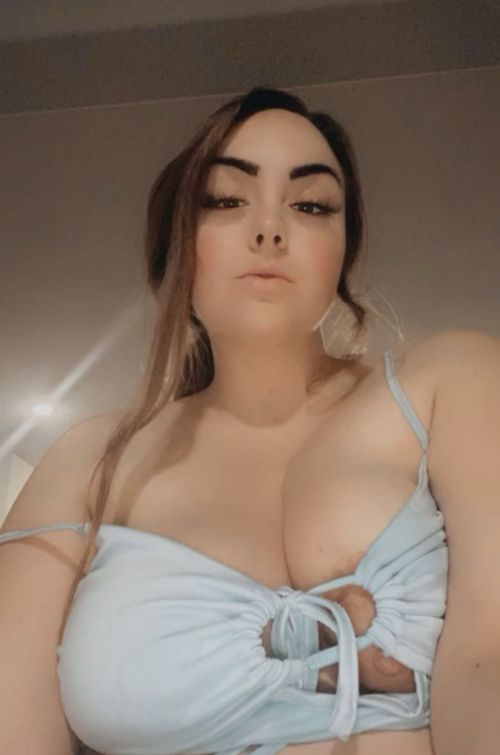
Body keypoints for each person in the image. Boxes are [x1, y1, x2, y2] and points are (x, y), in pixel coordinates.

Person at [1, 86, 499, 755]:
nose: (269, 229)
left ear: (344, 252)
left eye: (311, 205)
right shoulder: (88, 460)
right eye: (226, 199)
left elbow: (489, 660)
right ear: (176, 242)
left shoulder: (450, 382)